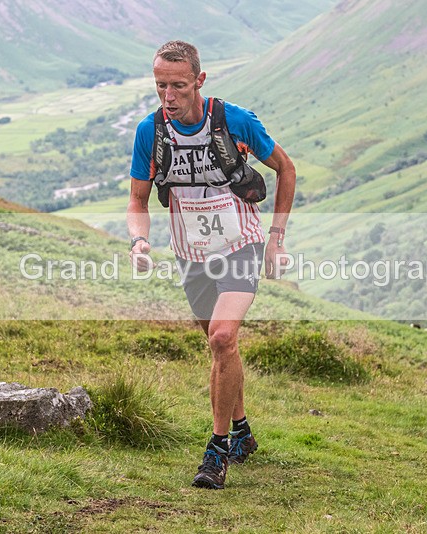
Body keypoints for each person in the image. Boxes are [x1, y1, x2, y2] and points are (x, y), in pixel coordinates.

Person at [127, 41, 295, 489]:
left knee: (222, 335)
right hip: (191, 254)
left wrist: (276, 239)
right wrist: (139, 240)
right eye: (161, 85)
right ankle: (242, 432)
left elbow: (286, 169)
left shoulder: (234, 120)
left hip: (241, 244)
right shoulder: (150, 132)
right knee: (222, 346)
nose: (168, 96)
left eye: (179, 86)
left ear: (199, 80)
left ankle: (216, 451)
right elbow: (137, 199)